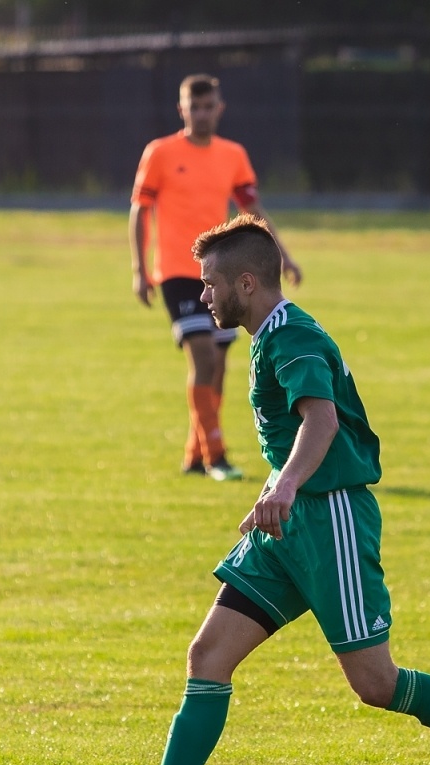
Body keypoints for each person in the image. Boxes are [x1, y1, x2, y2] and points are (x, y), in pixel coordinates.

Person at [80, 216, 430, 765]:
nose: (203, 296)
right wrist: (278, 490)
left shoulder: (294, 336)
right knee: (208, 656)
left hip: (331, 519)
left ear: (246, 283)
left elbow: (321, 422)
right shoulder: (268, 336)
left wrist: (284, 485)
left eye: (210, 283)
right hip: (286, 524)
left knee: (376, 684)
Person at [130, 74, 302, 481]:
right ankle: (216, 456)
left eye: (209, 107)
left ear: (219, 109)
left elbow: (251, 210)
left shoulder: (232, 155)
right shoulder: (160, 152)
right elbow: (140, 209)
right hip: (177, 272)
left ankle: (196, 452)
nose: (202, 114)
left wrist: (283, 256)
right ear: (182, 110)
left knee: (219, 365)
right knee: (204, 357)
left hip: (222, 276)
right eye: (195, 107)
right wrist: (140, 268)